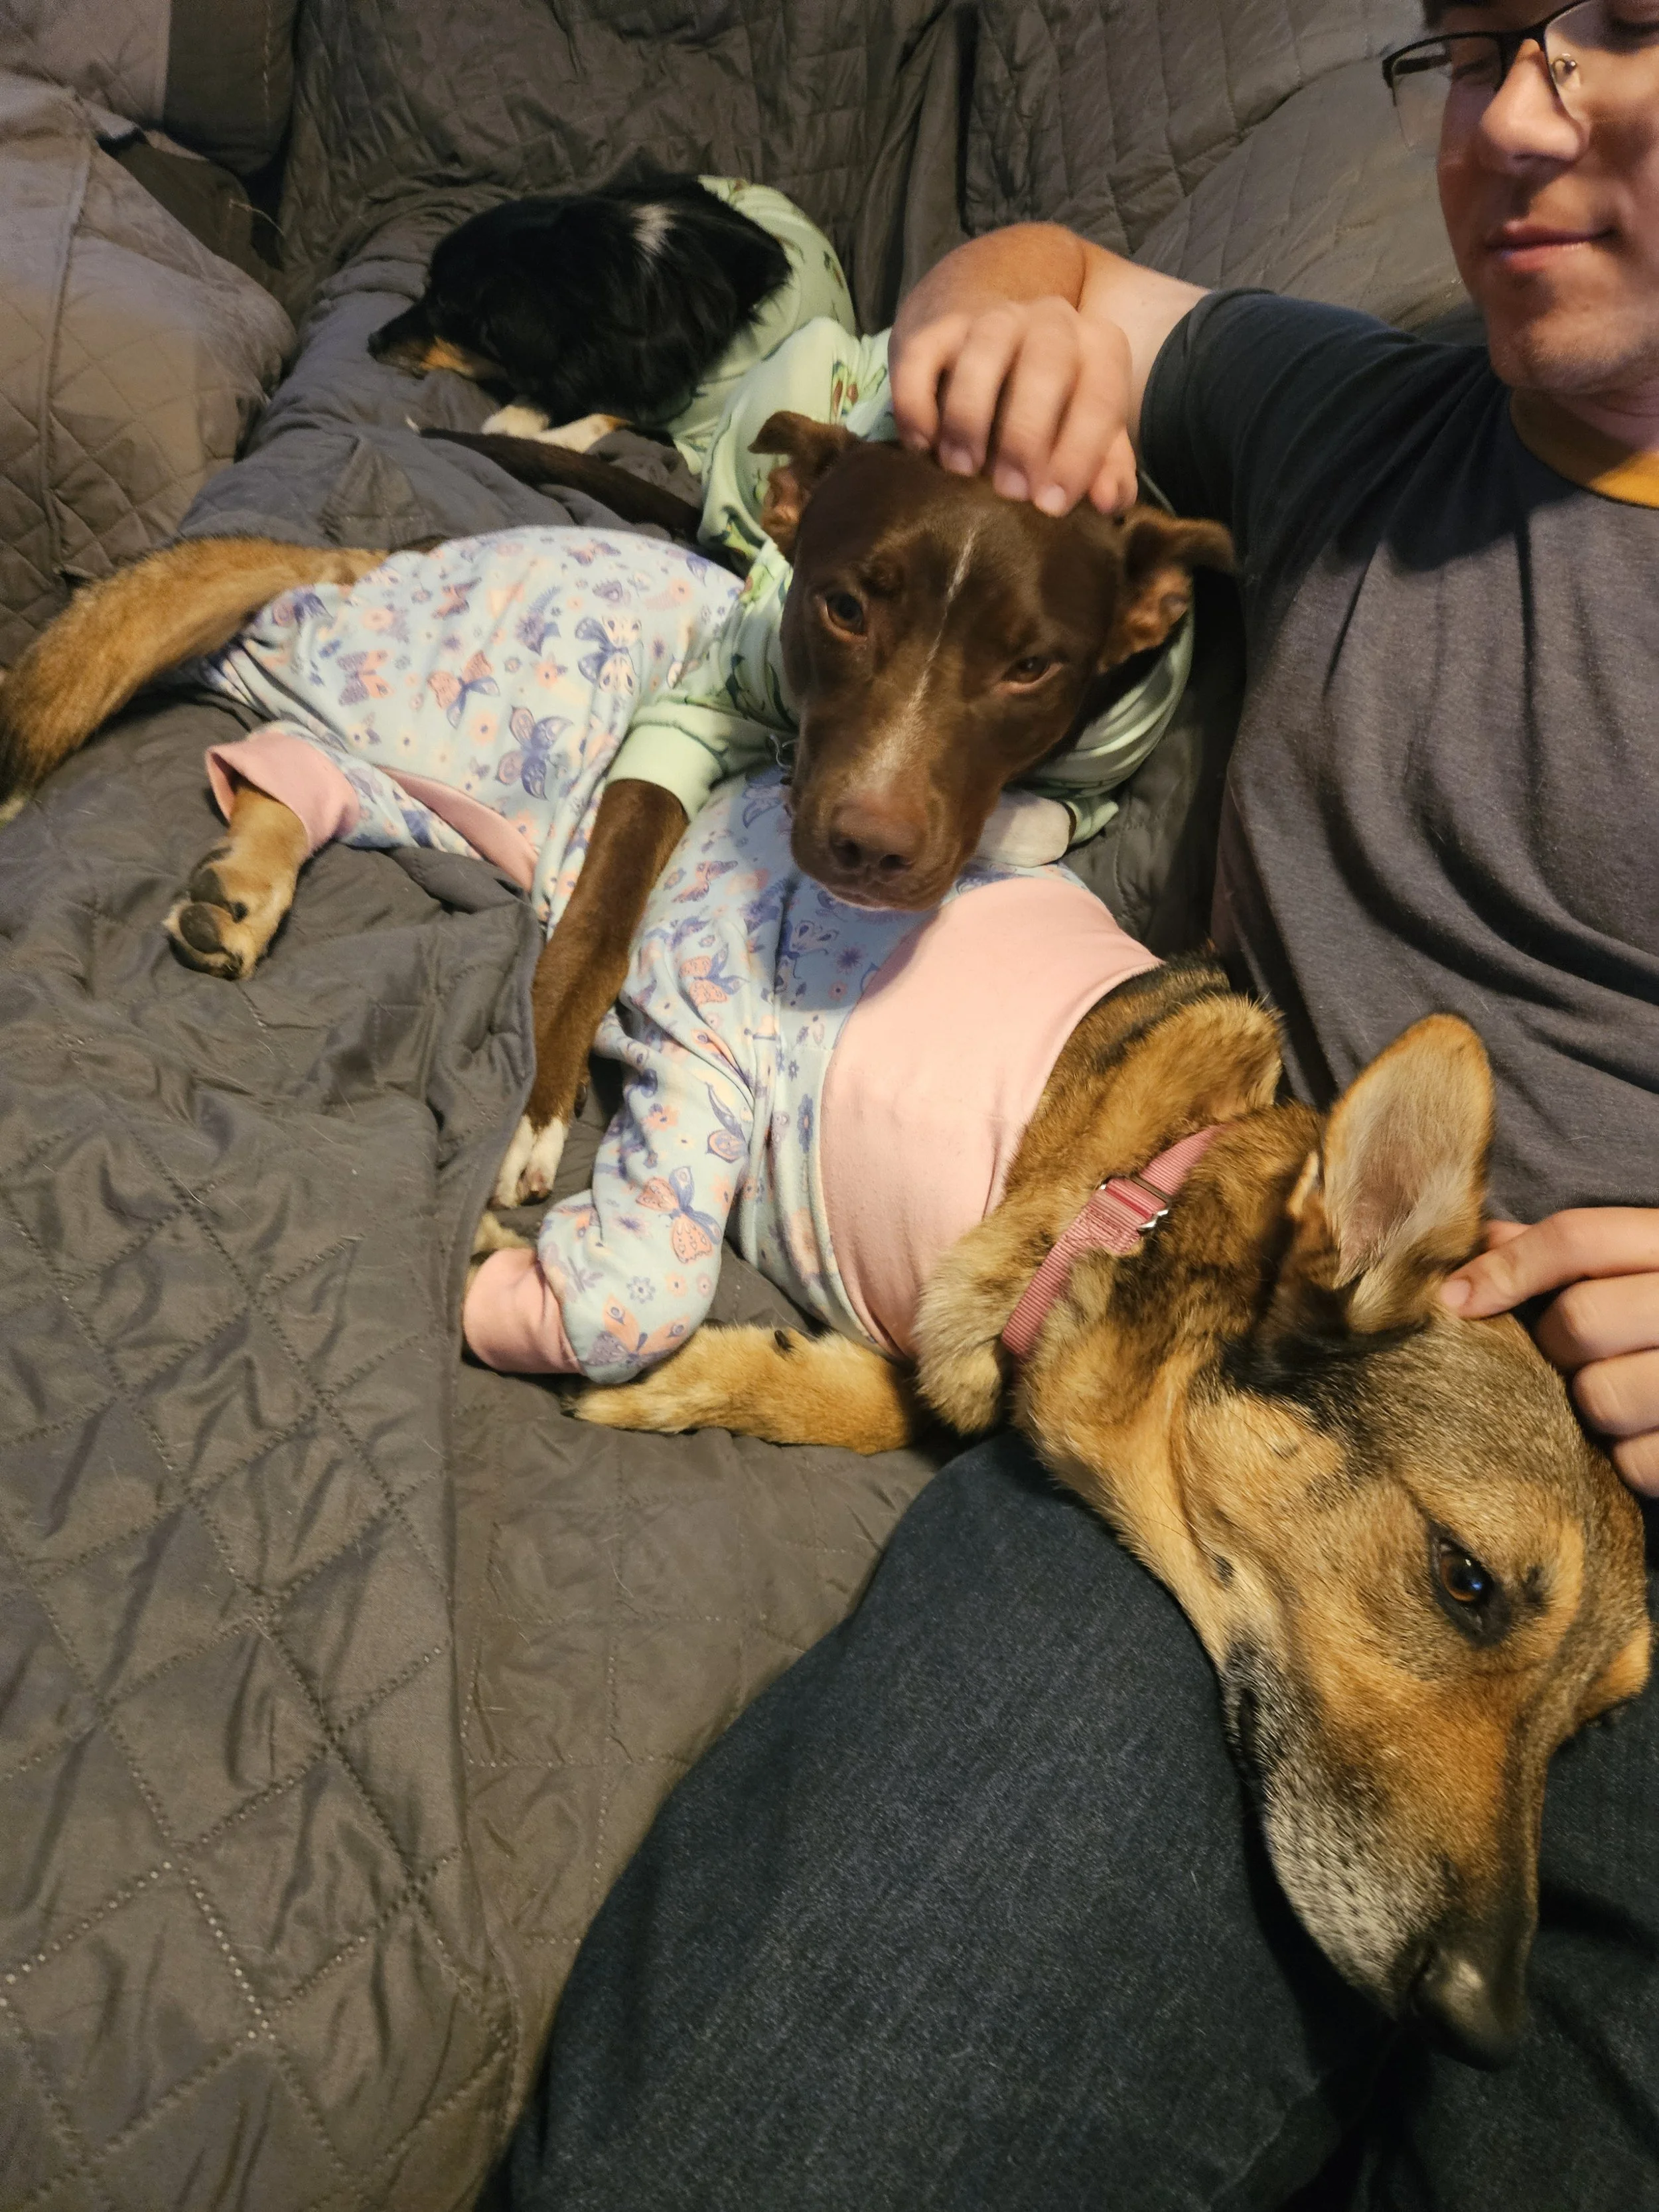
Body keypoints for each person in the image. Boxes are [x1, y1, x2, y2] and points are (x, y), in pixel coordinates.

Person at [491, 4, 1659, 2203]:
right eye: (1477, 33)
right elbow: (1050, 273)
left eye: (1615, 25)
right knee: (763, 2138)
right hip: (1218, 1371)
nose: (1512, 110)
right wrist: (989, 319)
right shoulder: (1348, 413)